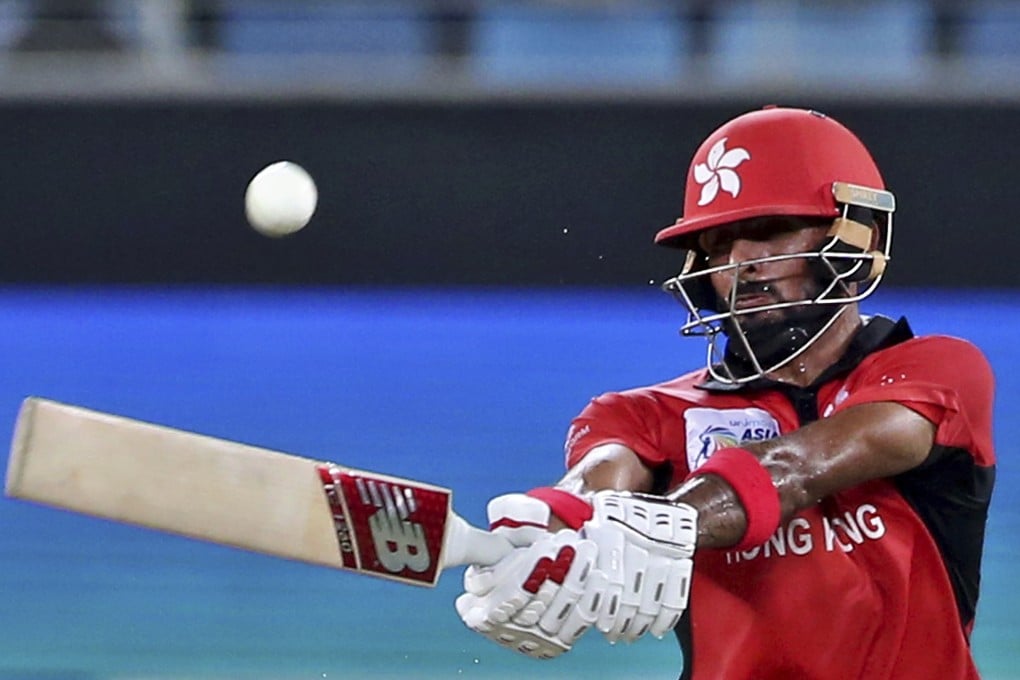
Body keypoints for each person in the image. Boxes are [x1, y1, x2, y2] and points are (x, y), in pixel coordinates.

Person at [455, 106, 996, 679]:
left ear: (857, 233)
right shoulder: (642, 415)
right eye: (718, 244)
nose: (741, 264)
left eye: (767, 232)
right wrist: (541, 540)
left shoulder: (935, 371)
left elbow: (801, 464)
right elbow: (596, 487)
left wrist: (667, 523)